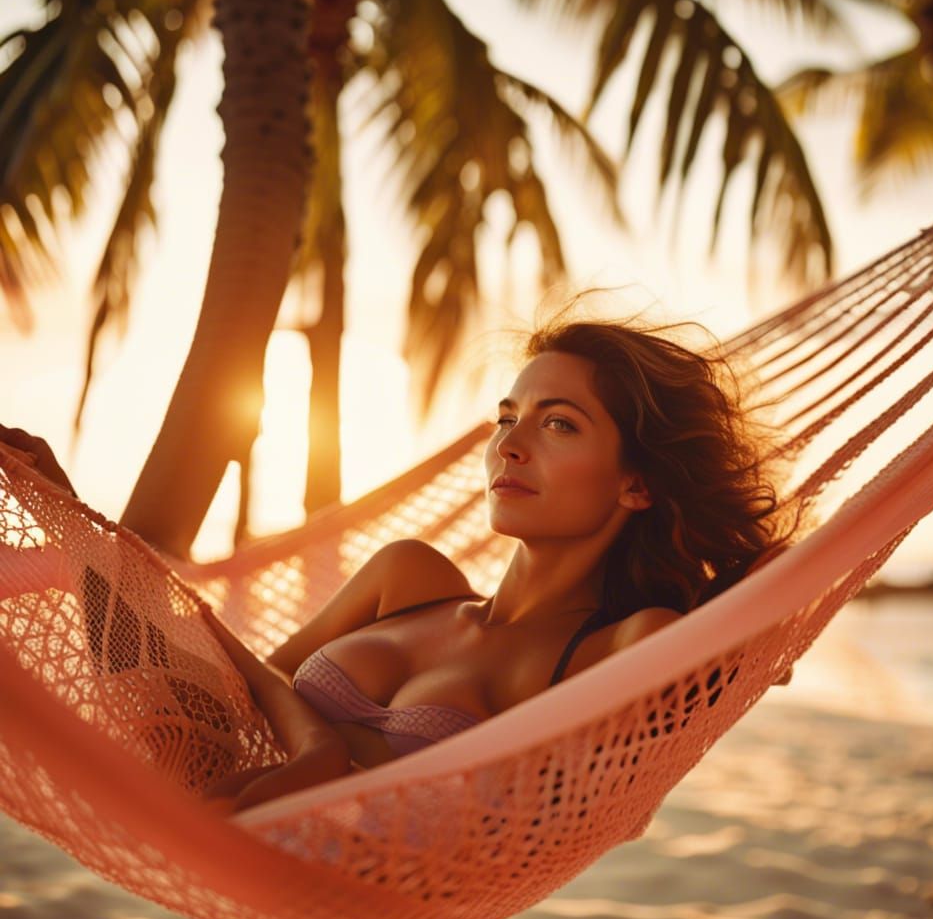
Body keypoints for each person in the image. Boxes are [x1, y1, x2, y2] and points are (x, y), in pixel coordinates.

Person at [0, 314, 797, 814]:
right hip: (207, 794)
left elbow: (733, 640)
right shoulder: (408, 576)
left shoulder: (619, 646)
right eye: (507, 418)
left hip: (348, 879)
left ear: (638, 482)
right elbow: (224, 706)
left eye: (559, 426)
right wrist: (85, 543)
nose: (509, 446)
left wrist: (764, 623)